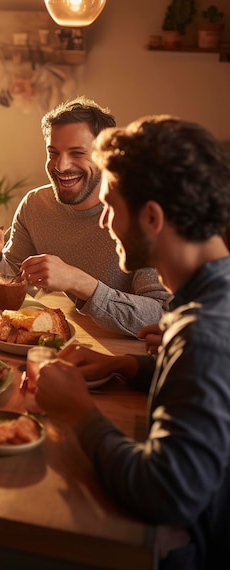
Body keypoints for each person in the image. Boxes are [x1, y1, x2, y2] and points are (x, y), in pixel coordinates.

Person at [36, 116, 230, 569]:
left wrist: (79, 411)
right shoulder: (208, 297)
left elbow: (168, 493)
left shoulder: (206, 334)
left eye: (110, 207)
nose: (105, 222)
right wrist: (125, 367)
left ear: (152, 217)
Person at [0, 96, 169, 337]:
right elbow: (13, 280)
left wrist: (78, 282)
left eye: (77, 153)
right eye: (53, 153)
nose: (61, 166)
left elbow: (161, 316)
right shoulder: (35, 205)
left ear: (104, 156)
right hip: (73, 342)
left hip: (130, 357)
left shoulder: (139, 212)